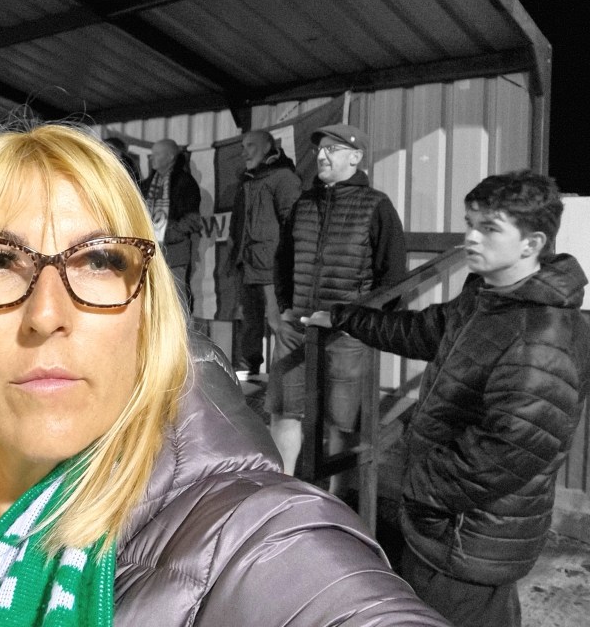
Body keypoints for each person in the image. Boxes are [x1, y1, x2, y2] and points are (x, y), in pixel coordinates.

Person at [0, 123, 449, 626]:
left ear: (148, 316)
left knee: (336, 424)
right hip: (295, 314)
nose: (47, 314)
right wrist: (286, 302)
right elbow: (285, 253)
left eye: (98, 261)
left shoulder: (253, 539)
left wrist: (352, 314)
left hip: (343, 327)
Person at [303, 170, 590, 627]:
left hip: (468, 537)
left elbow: (507, 453)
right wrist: (344, 318)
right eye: (470, 224)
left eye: (489, 228)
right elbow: (421, 330)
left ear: (531, 243)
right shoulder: (489, 299)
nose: (471, 238)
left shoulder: (541, 337)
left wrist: (420, 486)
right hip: (452, 526)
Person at [271, 123, 406, 482]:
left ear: (356, 157)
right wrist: (285, 306)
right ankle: (282, 490)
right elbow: (282, 260)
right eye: (320, 149)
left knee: (341, 422)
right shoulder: (303, 204)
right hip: (297, 330)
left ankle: (332, 501)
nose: (322, 156)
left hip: (345, 336)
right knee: (284, 411)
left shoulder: (376, 206)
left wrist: (360, 322)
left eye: (332, 149)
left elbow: (393, 277)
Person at [226, 129, 300, 376]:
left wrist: (286, 263)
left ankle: (289, 378)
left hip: (271, 266)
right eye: (243, 146)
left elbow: (294, 223)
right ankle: (249, 372)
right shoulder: (246, 180)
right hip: (247, 264)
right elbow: (238, 223)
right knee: (249, 322)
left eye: (250, 145)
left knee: (279, 323)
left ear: (268, 146)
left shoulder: (284, 177)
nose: (244, 152)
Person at [141, 138, 202, 310]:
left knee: (177, 298)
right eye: (152, 154)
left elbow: (193, 219)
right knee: (151, 300)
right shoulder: (146, 185)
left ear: (170, 157)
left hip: (175, 251)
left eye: (157, 154)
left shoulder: (185, 183)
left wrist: (169, 233)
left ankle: (181, 328)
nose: (152, 158)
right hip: (150, 251)